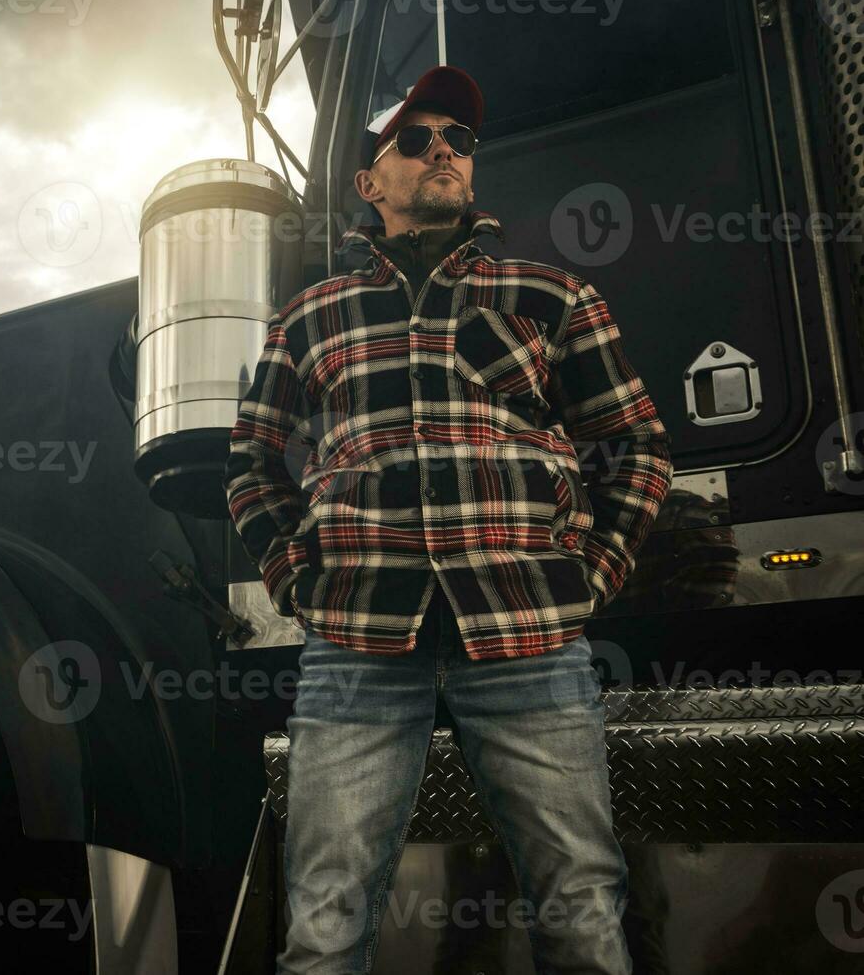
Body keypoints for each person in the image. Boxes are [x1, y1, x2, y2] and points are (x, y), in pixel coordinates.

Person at [223, 65, 673, 973]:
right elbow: (251, 463)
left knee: (581, 906)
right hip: (355, 644)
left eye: (458, 141)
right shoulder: (307, 319)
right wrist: (295, 579)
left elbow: (637, 445)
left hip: (529, 639)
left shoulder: (551, 296)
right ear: (369, 182)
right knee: (322, 921)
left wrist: (591, 575)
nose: (441, 151)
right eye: (416, 139)